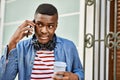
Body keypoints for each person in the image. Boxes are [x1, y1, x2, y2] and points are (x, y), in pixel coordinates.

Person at [0, 3, 84, 80]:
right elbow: (4, 78)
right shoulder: (21, 47)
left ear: (56, 26)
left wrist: (75, 77)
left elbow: (80, 72)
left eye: (50, 26)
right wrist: (12, 42)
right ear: (33, 24)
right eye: (40, 24)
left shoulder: (69, 46)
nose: (44, 31)